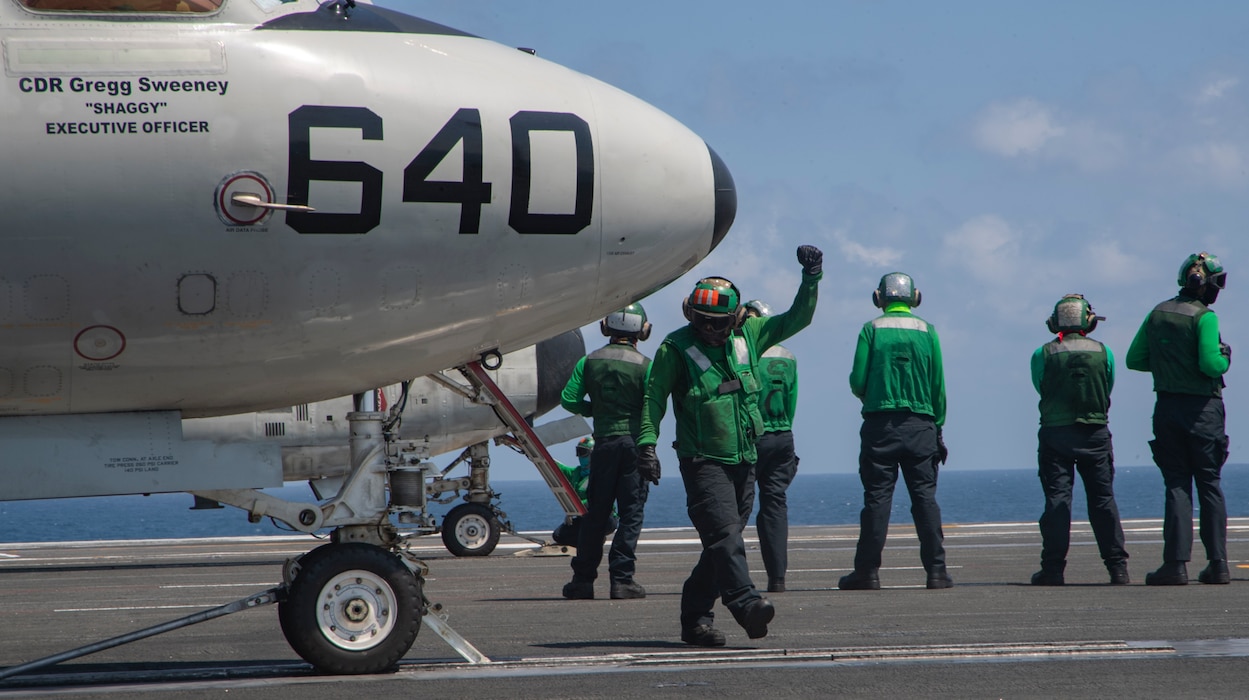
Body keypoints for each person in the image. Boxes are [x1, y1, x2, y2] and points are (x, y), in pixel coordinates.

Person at [638, 244, 823, 647]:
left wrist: (811, 279)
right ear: (690, 315)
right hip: (703, 461)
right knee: (725, 537)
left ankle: (695, 620)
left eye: (718, 323)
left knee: (722, 545)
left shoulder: (751, 334)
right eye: (703, 322)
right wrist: (647, 446)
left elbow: (798, 318)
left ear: (736, 318)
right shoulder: (674, 349)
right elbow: (653, 399)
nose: (710, 330)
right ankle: (746, 604)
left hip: (746, 457)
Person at [840, 272, 952, 591]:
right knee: (925, 500)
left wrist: (873, 395)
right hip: (922, 426)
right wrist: (937, 427)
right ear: (915, 297)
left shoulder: (871, 328)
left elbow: (857, 381)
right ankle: (936, 572)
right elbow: (937, 387)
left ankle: (868, 573)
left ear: (879, 298)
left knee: (876, 499)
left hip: (880, 426)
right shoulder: (927, 330)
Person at [1126, 252, 1232, 586]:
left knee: (1176, 485)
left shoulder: (1157, 313)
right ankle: (1218, 564)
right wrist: (1225, 357)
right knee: (1209, 484)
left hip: (1168, 409)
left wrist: (1169, 365)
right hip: (1203, 411)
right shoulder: (1205, 318)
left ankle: (1175, 565)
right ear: (1207, 285)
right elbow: (1211, 366)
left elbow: (1135, 359)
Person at [1029, 294, 1129, 586]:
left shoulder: (1043, 353)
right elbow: (1108, 386)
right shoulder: (1104, 352)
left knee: (1058, 500)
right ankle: (1117, 568)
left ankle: (1053, 569)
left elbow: (1040, 386)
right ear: (1089, 321)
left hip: (1055, 434)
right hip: (1095, 433)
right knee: (1102, 501)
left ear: (1055, 322)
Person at [559, 303, 653, 600]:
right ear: (643, 331)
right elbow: (654, 406)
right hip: (634, 445)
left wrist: (596, 410)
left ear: (606, 328)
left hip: (603, 444)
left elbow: (569, 400)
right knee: (631, 514)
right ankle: (622, 581)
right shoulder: (646, 365)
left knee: (595, 515)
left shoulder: (589, 361)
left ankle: (583, 581)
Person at [742, 299, 800, 593]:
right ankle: (777, 578)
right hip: (782, 437)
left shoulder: (742, 351)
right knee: (775, 505)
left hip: (751, 438)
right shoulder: (787, 356)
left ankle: (729, 575)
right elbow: (792, 401)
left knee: (739, 507)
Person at [551, 437, 617, 547]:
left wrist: (574, 508)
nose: (580, 456)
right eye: (578, 452)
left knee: (588, 532)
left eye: (583, 452)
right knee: (558, 535)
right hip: (585, 518)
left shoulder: (602, 474)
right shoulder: (576, 473)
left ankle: (592, 539)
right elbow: (556, 466)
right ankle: (593, 539)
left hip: (606, 518)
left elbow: (599, 499)